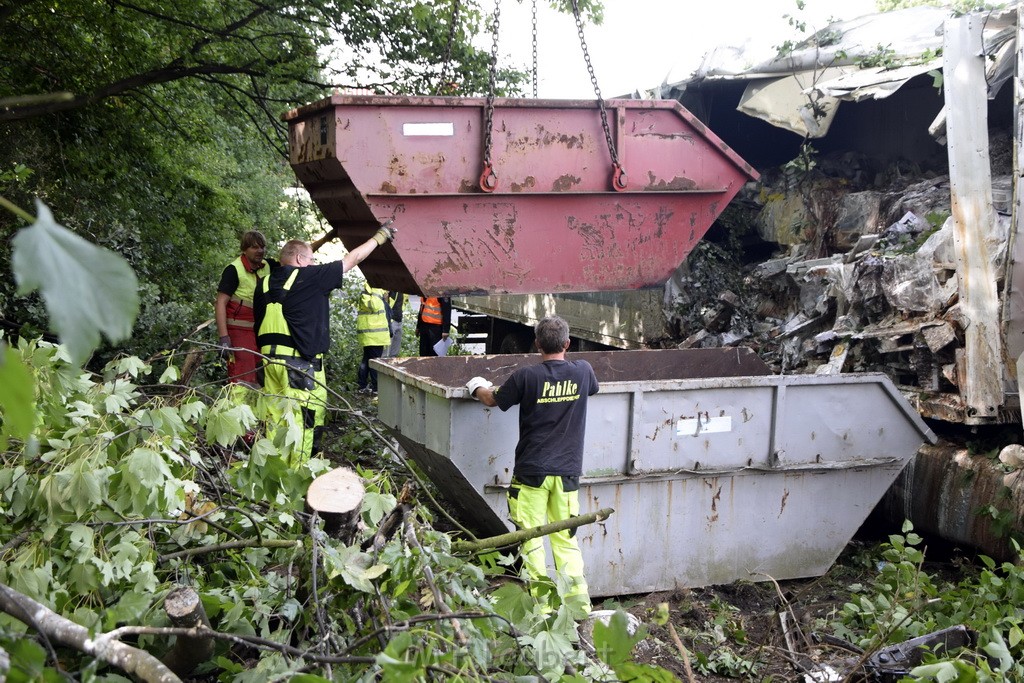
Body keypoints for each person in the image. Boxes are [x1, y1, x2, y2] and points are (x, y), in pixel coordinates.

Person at [465, 315, 599, 614]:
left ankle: (544, 609)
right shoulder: (584, 371)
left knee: (532, 540)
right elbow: (590, 390)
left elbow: (492, 400)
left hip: (531, 475)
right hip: (567, 475)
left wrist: (476, 386)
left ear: (536, 344)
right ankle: (578, 608)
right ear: (568, 343)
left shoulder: (526, 377)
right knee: (566, 540)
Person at [253, 221, 395, 462]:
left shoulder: (263, 283)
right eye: (311, 260)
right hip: (299, 368)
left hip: (268, 364)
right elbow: (351, 260)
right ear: (299, 259)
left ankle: (273, 476)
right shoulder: (309, 277)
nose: (314, 264)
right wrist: (379, 237)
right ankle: (298, 478)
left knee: (275, 420)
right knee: (304, 423)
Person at [215, 228, 335, 386]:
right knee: (242, 375)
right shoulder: (233, 270)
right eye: (254, 247)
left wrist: (326, 238)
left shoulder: (268, 265)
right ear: (244, 249)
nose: (260, 251)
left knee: (262, 374)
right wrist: (224, 338)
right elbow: (220, 303)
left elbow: (296, 256)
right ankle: (237, 407)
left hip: (260, 331)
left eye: (262, 247)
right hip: (238, 332)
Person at [356, 282, 392, 394]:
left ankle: (362, 385)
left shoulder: (368, 293)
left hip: (370, 335)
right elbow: (375, 306)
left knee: (366, 360)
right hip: (375, 335)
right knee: (374, 362)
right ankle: (376, 388)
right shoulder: (375, 292)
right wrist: (379, 291)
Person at [384, 291, 405, 358]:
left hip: (399, 320)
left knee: (394, 353)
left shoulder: (404, 290)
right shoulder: (391, 287)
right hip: (391, 321)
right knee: (386, 353)